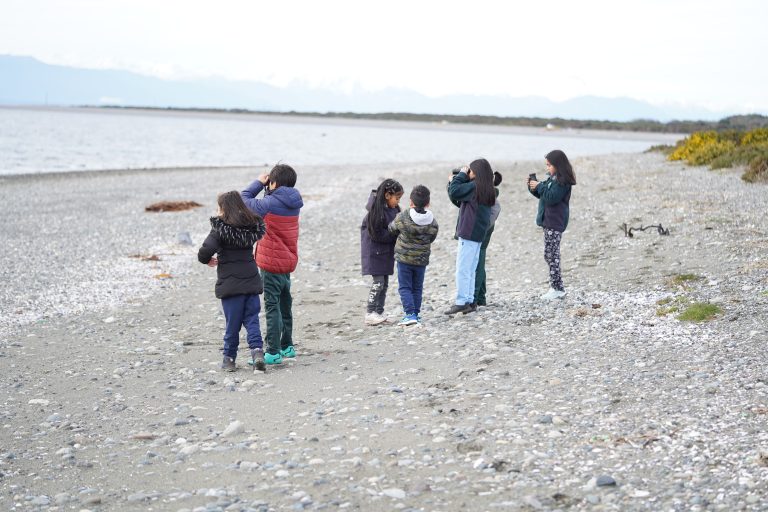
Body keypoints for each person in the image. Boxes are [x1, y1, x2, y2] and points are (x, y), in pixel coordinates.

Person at [198, 191, 267, 372]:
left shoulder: (220, 229)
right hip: (251, 281)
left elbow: (205, 251)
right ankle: (258, 352)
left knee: (233, 324)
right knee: (252, 321)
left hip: (231, 286)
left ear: (223, 209)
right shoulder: (251, 227)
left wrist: (207, 261)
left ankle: (229, 359)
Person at [241, 164, 304, 364]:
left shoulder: (269, 204)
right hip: (287, 261)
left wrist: (259, 182)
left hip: (271, 264)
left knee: (272, 306)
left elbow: (243, 200)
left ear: (273, 183)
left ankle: (273, 351)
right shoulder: (294, 202)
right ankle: (287, 346)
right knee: (285, 304)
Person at [445, 158, 496, 315]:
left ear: (477, 173)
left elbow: (454, 191)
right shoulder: (487, 189)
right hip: (478, 233)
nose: (469, 173)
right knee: (471, 268)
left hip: (469, 232)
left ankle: (461, 301)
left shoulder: (474, 187)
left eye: (471, 171)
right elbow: (459, 199)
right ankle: (470, 301)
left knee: (463, 269)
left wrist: (460, 175)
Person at [527, 149, 576, 300]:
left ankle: (557, 288)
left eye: (549, 165)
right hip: (548, 222)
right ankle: (555, 286)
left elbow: (552, 197)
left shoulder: (562, 182)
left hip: (555, 222)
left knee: (552, 255)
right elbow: (544, 196)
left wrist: (540, 186)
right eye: (546, 165)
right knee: (549, 254)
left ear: (558, 165)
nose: (547, 168)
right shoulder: (552, 179)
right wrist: (533, 187)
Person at [388, 185, 439, 326]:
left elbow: (392, 229)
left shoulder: (403, 216)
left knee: (405, 287)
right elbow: (432, 237)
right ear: (428, 203)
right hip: (421, 260)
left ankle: (410, 314)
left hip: (404, 259)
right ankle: (415, 313)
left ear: (411, 202)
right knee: (417, 287)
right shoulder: (432, 221)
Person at [360, 179, 404, 325]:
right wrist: (394, 234)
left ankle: (379, 312)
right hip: (374, 253)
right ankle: (370, 312)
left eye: (399, 199)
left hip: (386, 252)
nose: (397, 202)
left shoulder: (395, 209)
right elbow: (377, 234)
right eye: (396, 198)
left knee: (384, 283)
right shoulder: (375, 211)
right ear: (387, 195)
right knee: (378, 282)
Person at [474, 171, 502, 306]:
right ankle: (481, 297)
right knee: (481, 261)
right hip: (487, 230)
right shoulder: (492, 193)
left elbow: (457, 198)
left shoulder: (483, 195)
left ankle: (475, 297)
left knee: (477, 263)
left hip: (481, 230)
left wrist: (452, 184)